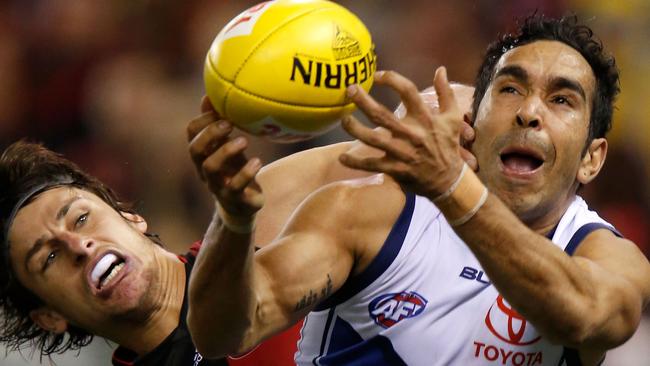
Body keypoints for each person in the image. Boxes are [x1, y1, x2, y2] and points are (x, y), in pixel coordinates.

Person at [186, 14, 650, 366]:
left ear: (592, 158)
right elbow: (225, 334)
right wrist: (233, 219)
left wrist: (452, 186)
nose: (529, 112)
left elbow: (581, 313)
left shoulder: (608, 256)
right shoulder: (374, 212)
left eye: (561, 100)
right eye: (509, 89)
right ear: (476, 119)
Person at [0, 83, 472, 365]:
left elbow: (451, 114)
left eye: (81, 217)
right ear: (49, 317)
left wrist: (446, 118)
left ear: (130, 217)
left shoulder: (277, 203)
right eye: (50, 256)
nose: (79, 244)